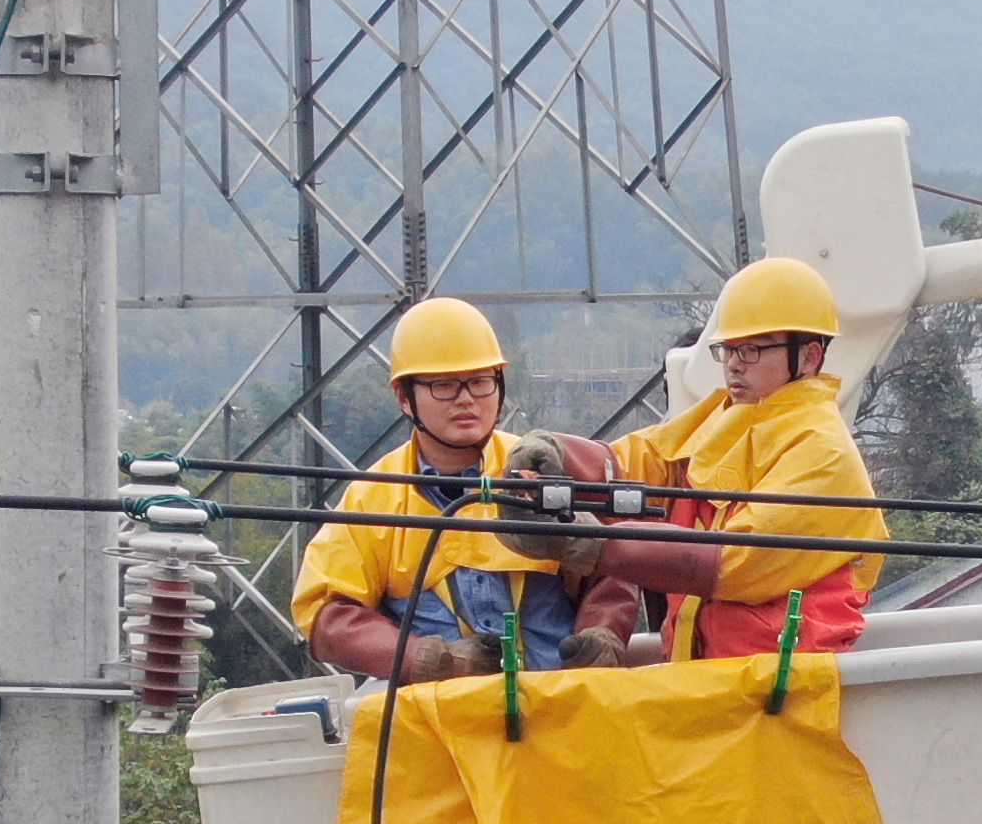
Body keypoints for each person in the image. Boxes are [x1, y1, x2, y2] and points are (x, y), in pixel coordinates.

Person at [510, 257, 890, 661]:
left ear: (810, 357)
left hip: (782, 692)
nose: (734, 365)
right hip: (716, 676)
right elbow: (648, 462)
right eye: (727, 350)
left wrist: (594, 545)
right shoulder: (723, 419)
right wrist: (560, 456)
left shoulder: (823, 452)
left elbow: (734, 561)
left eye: (752, 350)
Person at [291, 298, 646, 681]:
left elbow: (617, 554)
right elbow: (327, 615)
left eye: (480, 382)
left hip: (561, 711)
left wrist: (603, 630)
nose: (466, 399)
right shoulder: (375, 497)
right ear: (404, 398)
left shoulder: (537, 470)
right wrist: (425, 659)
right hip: (440, 726)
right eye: (444, 386)